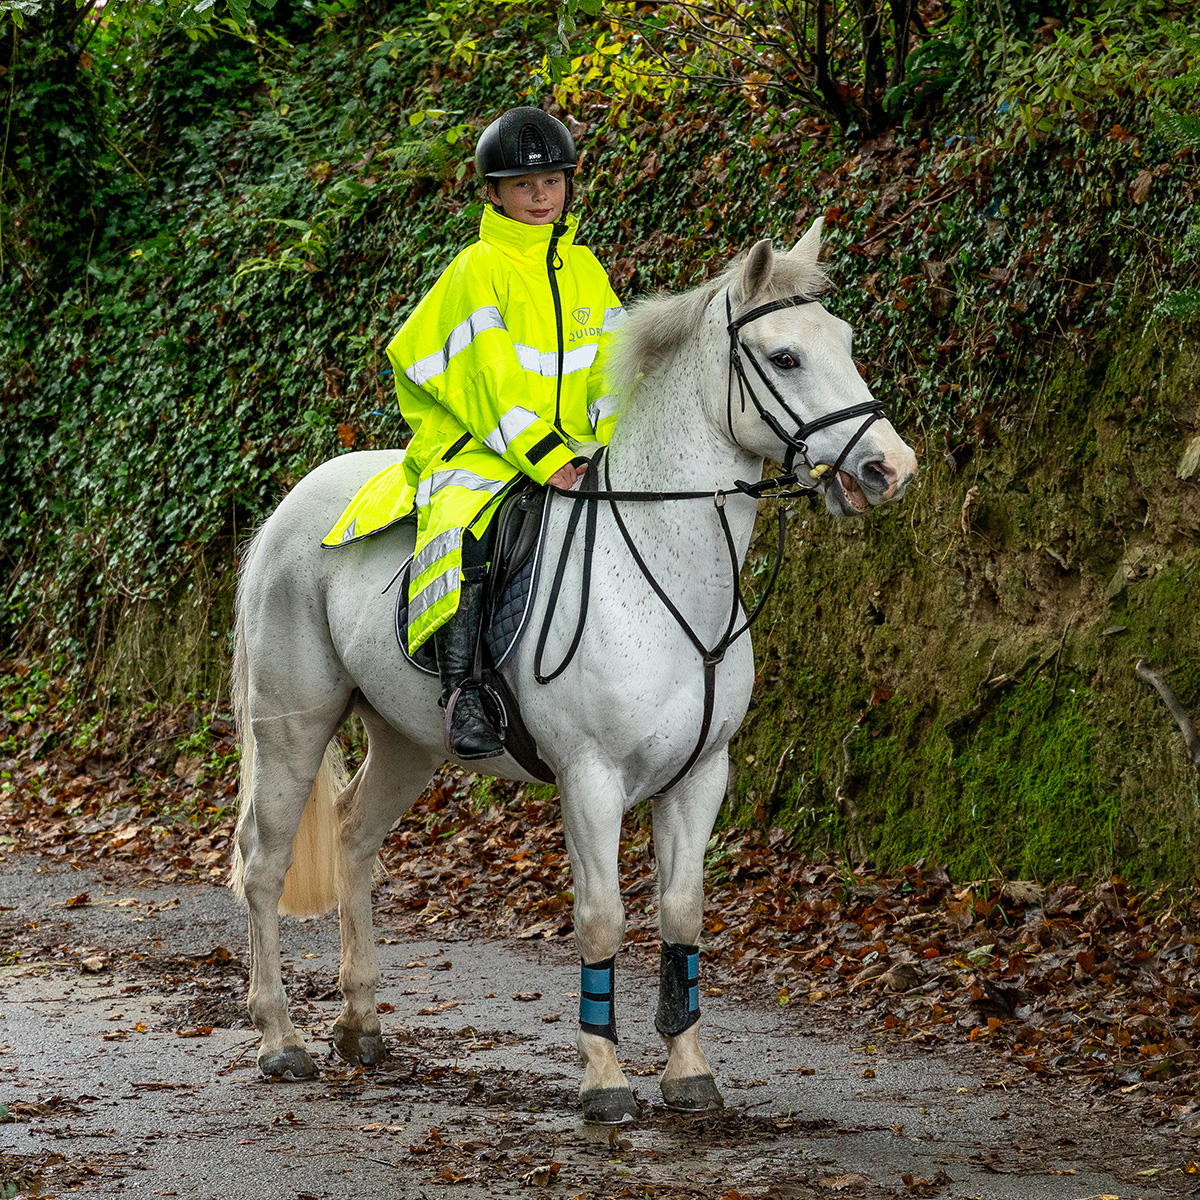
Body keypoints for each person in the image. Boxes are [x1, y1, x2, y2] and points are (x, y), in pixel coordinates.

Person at [326, 106, 622, 759]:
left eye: (552, 182)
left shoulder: (587, 270)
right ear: (493, 193)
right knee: (469, 529)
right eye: (523, 185)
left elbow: (613, 368)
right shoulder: (475, 269)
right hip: (479, 444)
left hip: (571, 444)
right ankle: (463, 694)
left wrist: (612, 441)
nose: (540, 196)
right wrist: (545, 456)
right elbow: (489, 383)